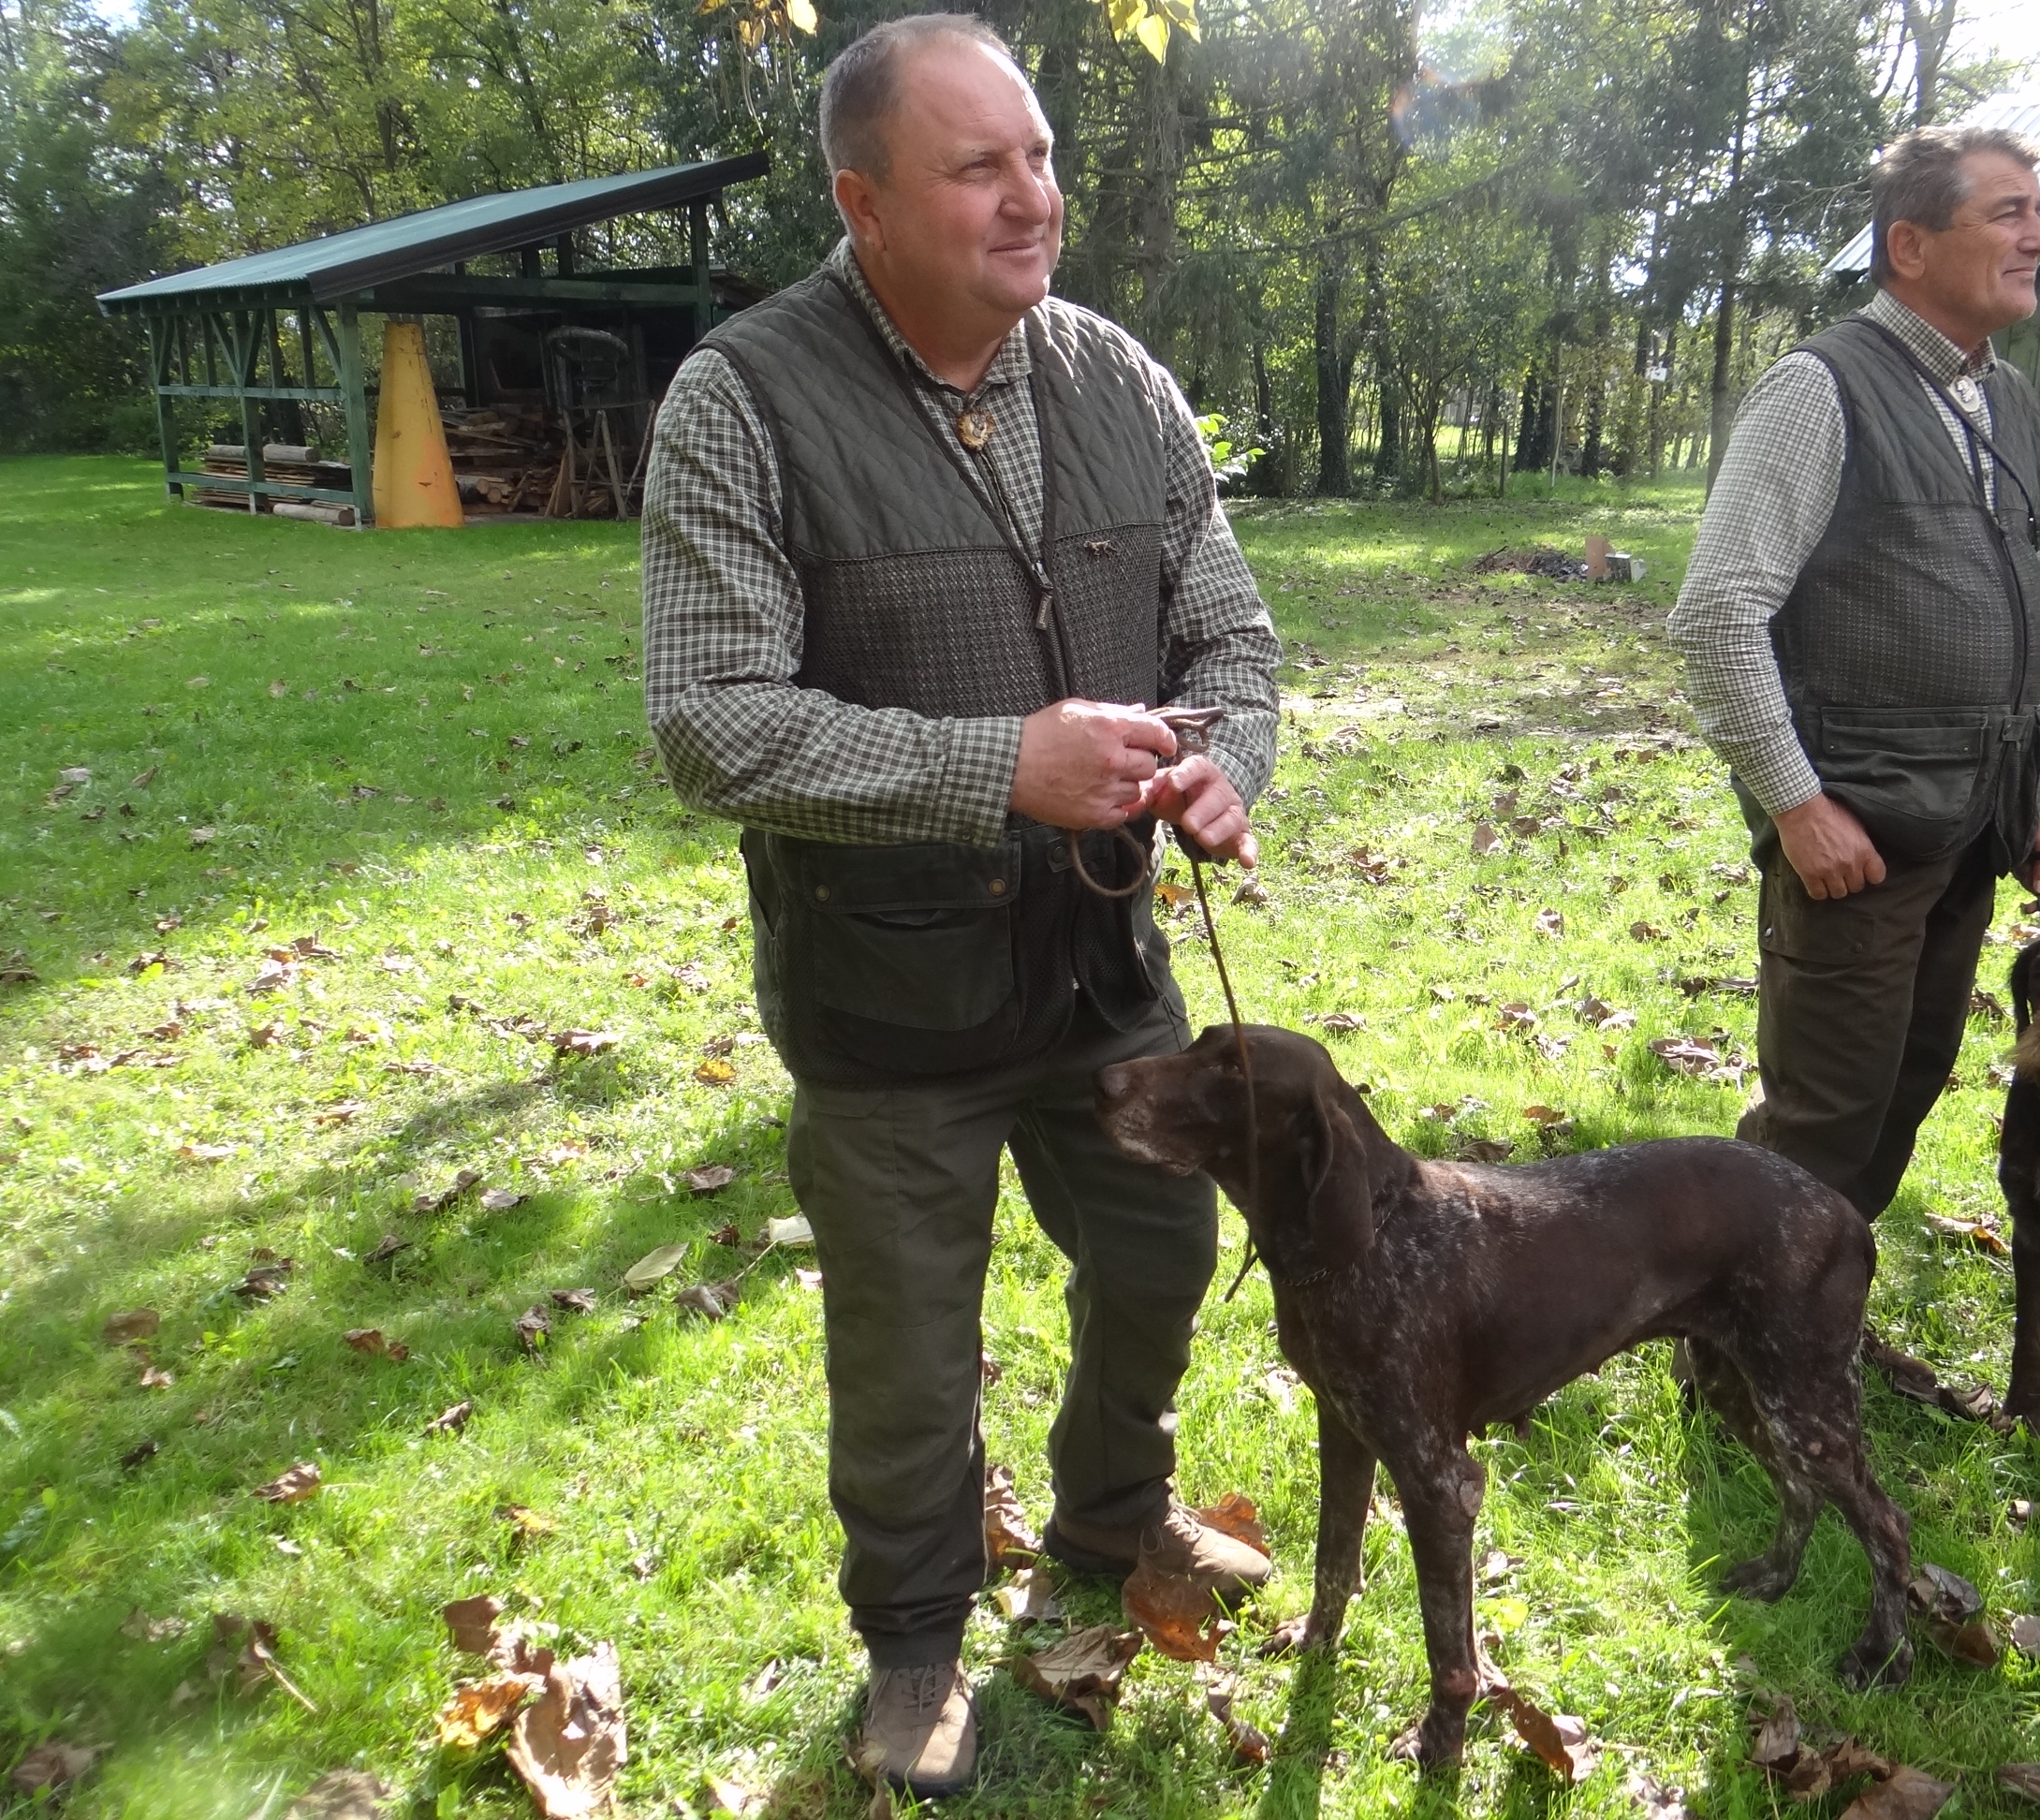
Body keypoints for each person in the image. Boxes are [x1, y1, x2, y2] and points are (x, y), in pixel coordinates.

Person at [639, 14, 1281, 1798]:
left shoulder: (1118, 378)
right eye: (979, 166)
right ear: (863, 202)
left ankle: (1107, 1512)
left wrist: (1232, 768)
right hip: (883, 993)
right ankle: (914, 1641)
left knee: (1160, 1248)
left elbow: (1228, 628)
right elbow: (707, 719)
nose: (1034, 198)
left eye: (1044, 154)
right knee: (908, 1354)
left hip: (1101, 968)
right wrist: (995, 761)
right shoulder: (744, 397)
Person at [1668, 125, 2040, 1222]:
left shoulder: (2012, 400)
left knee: (1909, 1081)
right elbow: (1715, 616)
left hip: (1976, 817)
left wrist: (2036, 796)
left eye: (2039, 210)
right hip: (1856, 828)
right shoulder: (1820, 388)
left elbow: (2017, 602)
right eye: (2007, 214)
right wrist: (1798, 805)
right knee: (1825, 1113)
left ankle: (1815, 1316)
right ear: (1909, 243)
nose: (2039, 235)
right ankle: (1739, 1368)